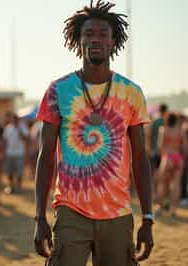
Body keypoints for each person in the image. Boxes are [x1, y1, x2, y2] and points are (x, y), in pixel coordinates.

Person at [34, 1, 154, 265]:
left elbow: (141, 158)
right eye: (88, 34)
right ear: (78, 41)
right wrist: (40, 218)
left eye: (102, 34)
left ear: (113, 42)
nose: (95, 39)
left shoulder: (131, 93)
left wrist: (147, 217)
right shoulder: (58, 91)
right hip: (70, 212)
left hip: (118, 214)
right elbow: (46, 157)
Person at [156, 112, 184, 216]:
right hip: (178, 157)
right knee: (176, 185)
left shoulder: (163, 130)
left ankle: (160, 207)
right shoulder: (180, 131)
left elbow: (160, 147)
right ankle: (173, 209)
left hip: (167, 157)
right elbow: (185, 147)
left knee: (163, 183)